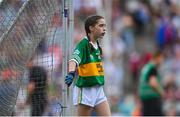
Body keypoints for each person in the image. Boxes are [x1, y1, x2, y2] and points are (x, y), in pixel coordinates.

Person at [65, 15, 111, 116]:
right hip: (86, 90)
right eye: (101, 25)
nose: (104, 29)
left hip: (98, 89)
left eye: (105, 26)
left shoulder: (97, 45)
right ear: (91, 28)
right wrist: (71, 73)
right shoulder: (83, 44)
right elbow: (73, 59)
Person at [138, 50, 164, 116]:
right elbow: (153, 83)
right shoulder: (152, 68)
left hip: (145, 99)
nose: (162, 61)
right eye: (161, 58)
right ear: (157, 57)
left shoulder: (146, 67)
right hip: (152, 99)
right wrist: (161, 93)